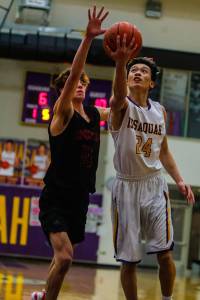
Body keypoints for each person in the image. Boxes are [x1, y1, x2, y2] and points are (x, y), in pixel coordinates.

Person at [104, 34, 195, 300]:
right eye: (134, 70)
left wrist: (179, 179)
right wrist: (121, 64)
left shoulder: (160, 111)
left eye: (143, 71)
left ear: (152, 82)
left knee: (165, 253)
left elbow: (163, 151)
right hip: (126, 187)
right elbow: (118, 94)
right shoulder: (120, 107)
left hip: (155, 185)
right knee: (129, 261)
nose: (137, 74)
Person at [31, 6, 109, 300]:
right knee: (65, 257)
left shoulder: (94, 113)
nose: (77, 85)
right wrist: (89, 38)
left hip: (80, 197)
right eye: (71, 84)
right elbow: (76, 71)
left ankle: (42, 295)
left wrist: (129, 65)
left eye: (82, 83)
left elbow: (119, 112)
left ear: (87, 87)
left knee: (61, 259)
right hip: (56, 197)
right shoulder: (62, 114)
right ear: (63, 90)